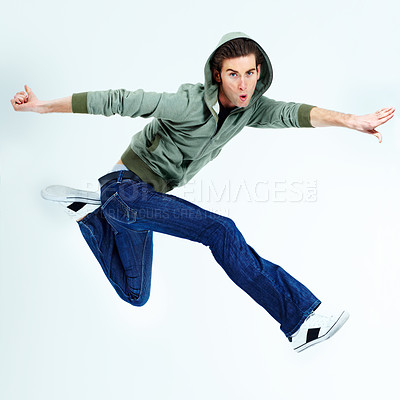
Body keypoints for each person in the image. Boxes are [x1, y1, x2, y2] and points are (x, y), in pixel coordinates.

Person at [11, 32, 395, 352]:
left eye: (249, 73)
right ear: (218, 74)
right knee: (221, 230)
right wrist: (43, 107)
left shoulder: (250, 109)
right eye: (233, 74)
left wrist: (350, 120)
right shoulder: (188, 103)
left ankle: (90, 216)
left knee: (135, 295)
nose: (243, 84)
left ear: (259, 73)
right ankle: (301, 322)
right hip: (128, 193)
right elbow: (117, 100)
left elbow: (293, 113)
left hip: (142, 204)